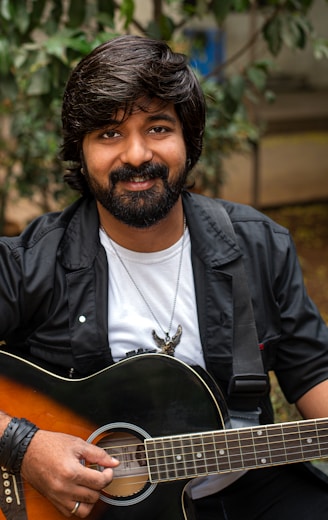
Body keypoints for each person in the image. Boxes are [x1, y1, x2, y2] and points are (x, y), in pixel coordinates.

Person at [0, 34, 328, 520]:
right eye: (108, 134)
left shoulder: (260, 246)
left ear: (187, 140)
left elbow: (314, 374)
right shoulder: (30, 263)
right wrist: (21, 445)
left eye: (157, 128)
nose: (135, 155)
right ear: (81, 151)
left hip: (247, 491)